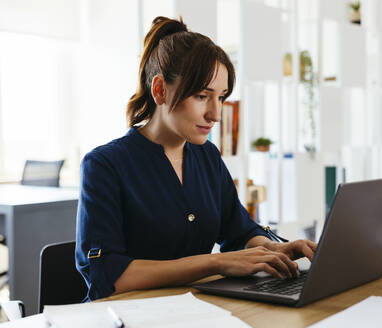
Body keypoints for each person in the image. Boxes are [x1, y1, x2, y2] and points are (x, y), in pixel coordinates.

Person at [75, 16, 317, 301]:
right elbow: (108, 276)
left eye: (221, 97)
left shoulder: (207, 156)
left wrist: (271, 250)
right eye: (203, 96)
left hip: (191, 310)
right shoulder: (105, 165)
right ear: (160, 90)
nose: (216, 114)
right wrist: (215, 262)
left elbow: (238, 230)